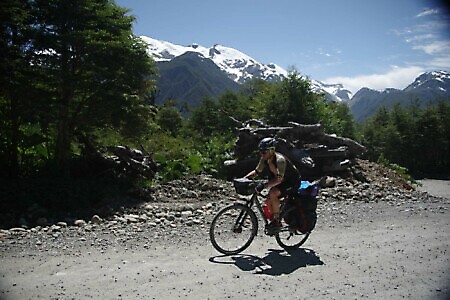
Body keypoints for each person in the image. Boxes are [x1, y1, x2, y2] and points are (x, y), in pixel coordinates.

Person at [244, 137, 301, 234]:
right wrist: (244, 179)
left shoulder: (280, 160)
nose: (262, 154)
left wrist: (263, 186)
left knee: (273, 193)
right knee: (267, 201)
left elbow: (279, 179)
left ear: (272, 150)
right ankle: (275, 222)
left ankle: (277, 221)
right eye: (260, 151)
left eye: (264, 151)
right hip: (281, 182)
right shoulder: (264, 159)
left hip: (292, 182)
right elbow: (257, 172)